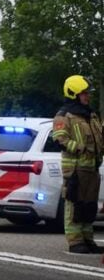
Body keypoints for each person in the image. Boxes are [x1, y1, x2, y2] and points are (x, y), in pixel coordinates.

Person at [51, 75, 103, 254]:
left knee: (89, 204)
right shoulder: (65, 115)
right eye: (83, 93)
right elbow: (59, 139)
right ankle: (75, 241)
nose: (87, 96)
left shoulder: (91, 115)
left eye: (87, 93)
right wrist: (79, 148)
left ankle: (88, 239)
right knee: (74, 204)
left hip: (91, 167)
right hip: (74, 168)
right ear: (73, 94)